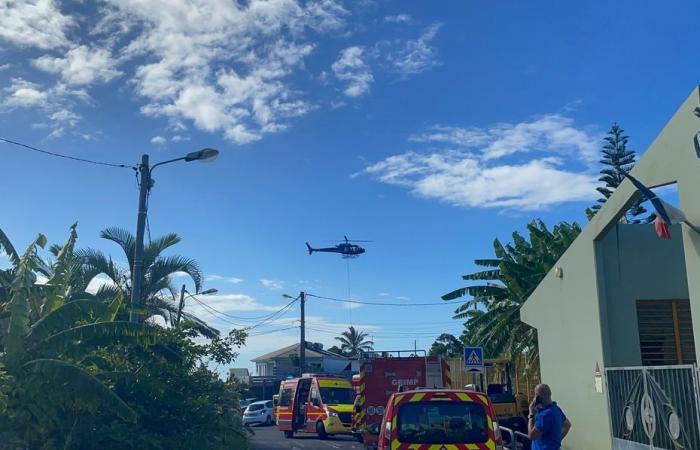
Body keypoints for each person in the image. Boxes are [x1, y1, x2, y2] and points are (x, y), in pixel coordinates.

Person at [527, 384, 571, 450]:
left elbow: (531, 435)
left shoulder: (544, 415)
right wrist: (556, 440)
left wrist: (531, 414)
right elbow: (567, 424)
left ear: (538, 397)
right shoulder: (556, 409)